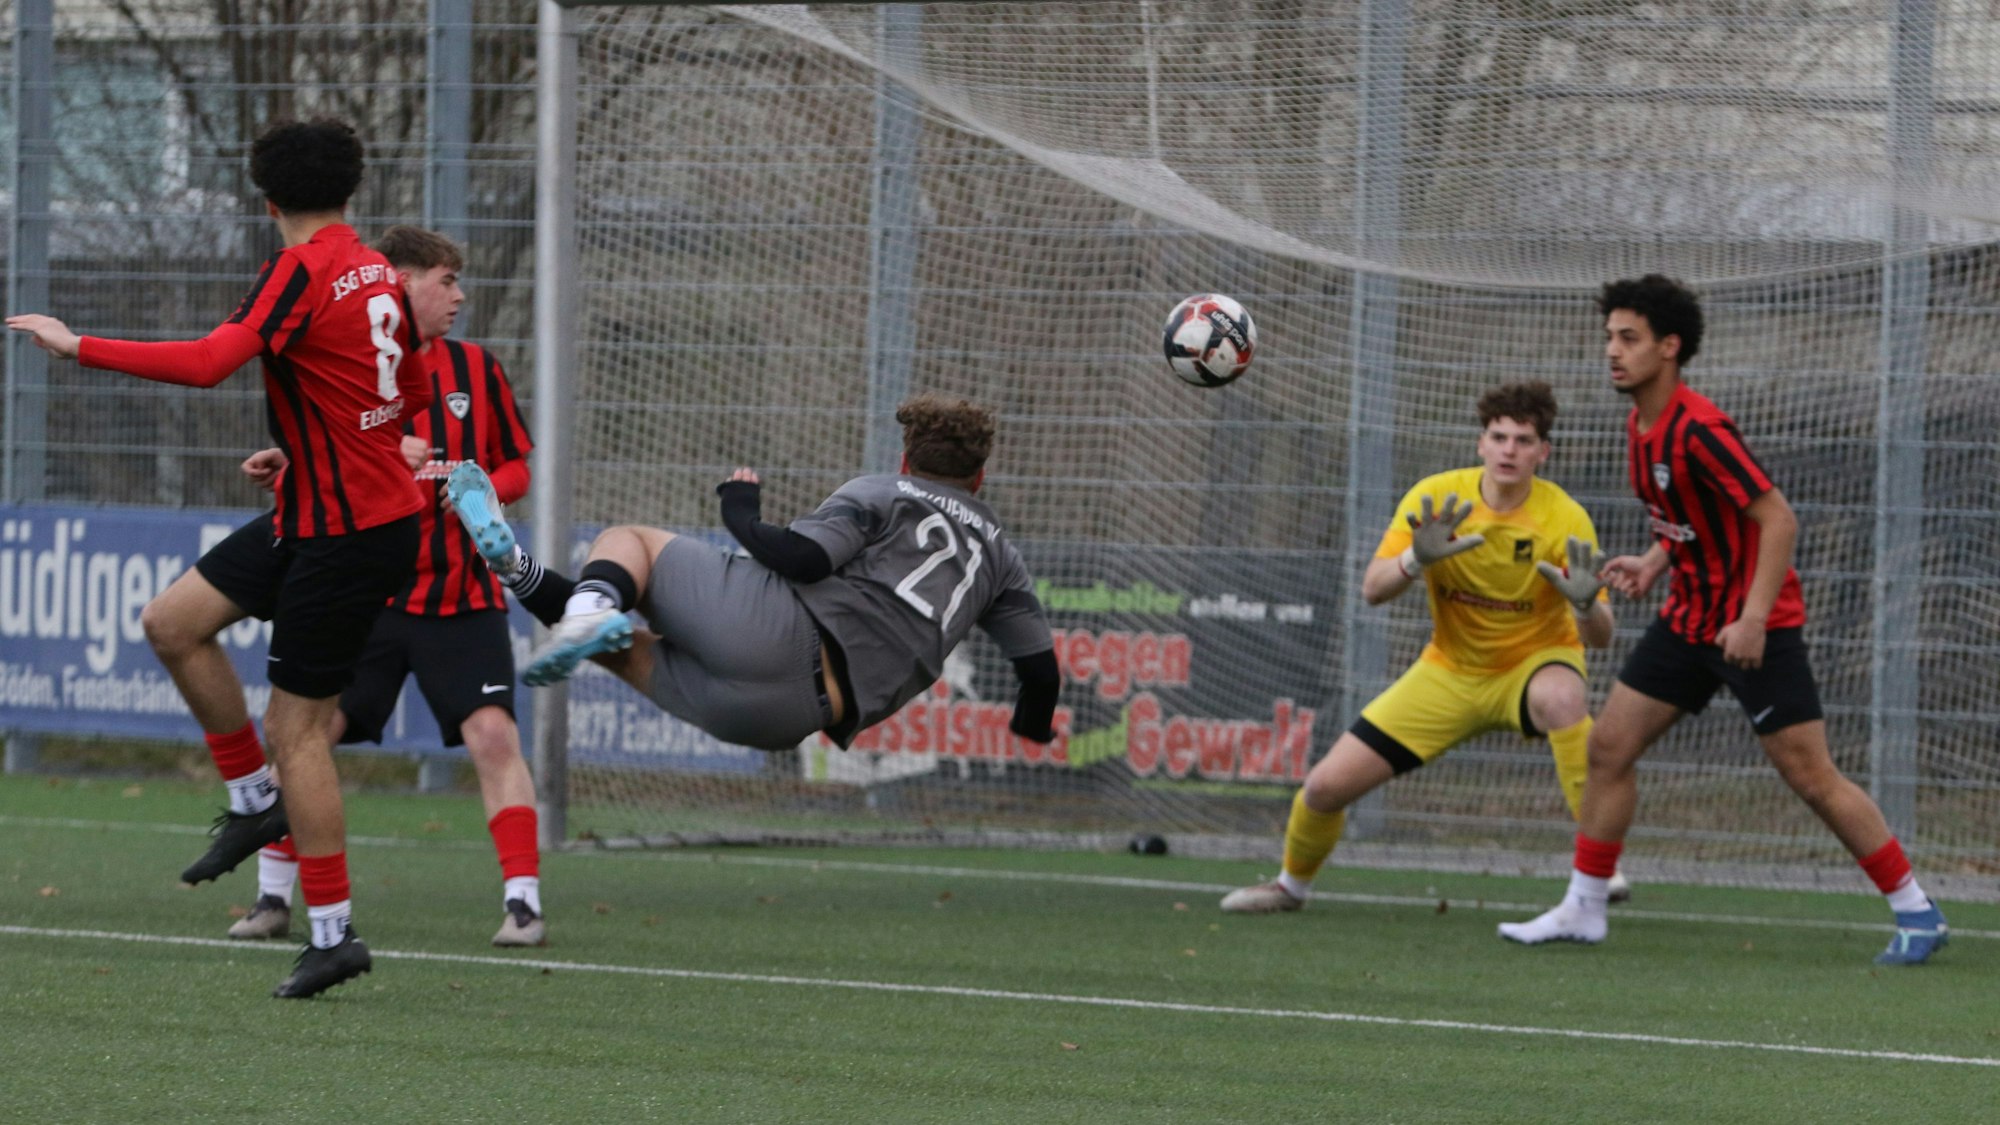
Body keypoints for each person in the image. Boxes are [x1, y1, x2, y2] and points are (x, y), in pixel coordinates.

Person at [7, 119, 430, 998]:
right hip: (324, 507)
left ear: (266, 199)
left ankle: (333, 932)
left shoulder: (301, 269)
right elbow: (405, 387)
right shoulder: (377, 269)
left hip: (346, 530)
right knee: (173, 622)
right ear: (348, 191)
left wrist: (75, 343)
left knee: (299, 731)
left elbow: (208, 364)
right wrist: (310, 448)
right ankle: (248, 801)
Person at [1498, 275, 1947, 965]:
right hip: (1687, 619)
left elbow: (1777, 518)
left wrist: (1754, 618)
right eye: (1609, 337)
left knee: (1811, 776)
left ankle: (1917, 910)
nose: (1612, 351)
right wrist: (1654, 560)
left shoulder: (1699, 427)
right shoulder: (1639, 425)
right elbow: (1693, 520)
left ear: (1669, 347)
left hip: (1751, 628)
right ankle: (1584, 907)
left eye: (1629, 338)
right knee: (1608, 746)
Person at [226, 226, 545, 949]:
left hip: (459, 597)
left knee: (494, 734)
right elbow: (330, 452)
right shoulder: (348, 364)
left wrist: (476, 489)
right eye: (444, 281)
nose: (459, 295)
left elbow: (518, 467)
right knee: (308, 734)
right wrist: (287, 463)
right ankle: (274, 895)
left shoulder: (477, 370)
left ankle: (523, 904)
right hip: (370, 591)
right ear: (399, 287)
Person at [444, 393, 1061, 756]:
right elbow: (1039, 674)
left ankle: (575, 599)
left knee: (629, 544)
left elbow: (802, 559)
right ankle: (520, 570)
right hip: (786, 720)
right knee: (623, 652)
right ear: (979, 479)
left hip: (780, 634)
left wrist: (739, 509)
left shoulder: (883, 492)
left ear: (905, 459)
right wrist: (1031, 729)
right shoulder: (1002, 559)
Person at [1219, 382, 1621, 915]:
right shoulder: (1436, 499)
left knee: (1564, 701)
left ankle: (1601, 865)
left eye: (1523, 441)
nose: (1509, 450)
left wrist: (1587, 603)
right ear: (1480, 443)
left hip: (1535, 664)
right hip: (1449, 672)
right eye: (1498, 437)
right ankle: (1290, 887)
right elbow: (1373, 590)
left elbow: (1600, 637)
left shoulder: (1563, 517)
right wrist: (1416, 558)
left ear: (1542, 452)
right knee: (1322, 789)